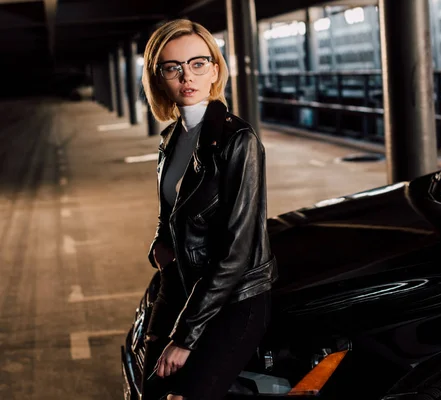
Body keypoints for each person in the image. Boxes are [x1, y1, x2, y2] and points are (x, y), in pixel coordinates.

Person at [140, 18, 277, 400]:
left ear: (215, 69)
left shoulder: (239, 141)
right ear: (159, 78)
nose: (187, 76)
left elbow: (237, 252)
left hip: (235, 297)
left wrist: (185, 338)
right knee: (149, 387)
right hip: (180, 283)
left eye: (198, 63)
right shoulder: (172, 137)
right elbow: (172, 206)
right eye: (173, 67)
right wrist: (160, 240)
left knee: (183, 394)